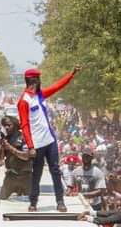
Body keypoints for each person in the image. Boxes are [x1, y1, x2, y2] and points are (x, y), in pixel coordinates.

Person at [18, 66, 79, 212]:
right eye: (39, 79)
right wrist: (31, 146)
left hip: (50, 140)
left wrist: (71, 74)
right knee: (37, 173)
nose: (41, 82)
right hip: (37, 144)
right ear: (34, 81)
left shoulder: (40, 95)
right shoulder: (24, 101)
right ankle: (33, 203)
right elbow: (25, 125)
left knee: (55, 171)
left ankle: (60, 202)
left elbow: (57, 86)